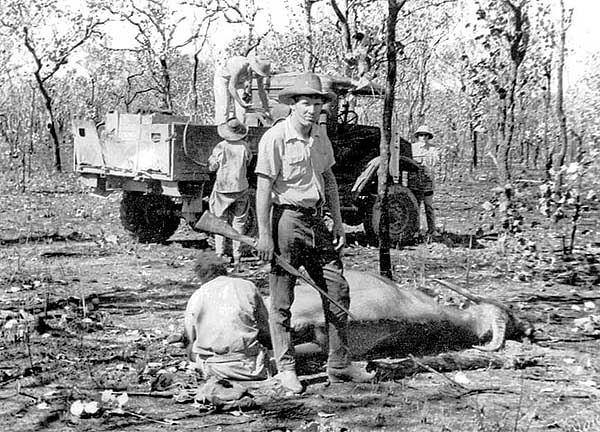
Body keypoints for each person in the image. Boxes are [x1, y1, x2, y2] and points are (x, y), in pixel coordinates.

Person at [254, 72, 374, 394]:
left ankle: (339, 366)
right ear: (293, 104)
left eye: (317, 103)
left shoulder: (320, 137)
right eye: (306, 102)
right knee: (282, 301)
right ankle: (286, 368)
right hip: (287, 222)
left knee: (338, 292)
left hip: (317, 221)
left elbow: (330, 180)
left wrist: (337, 221)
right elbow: (264, 187)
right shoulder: (275, 138)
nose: (312, 109)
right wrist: (265, 235)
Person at [184, 252, 272, 381]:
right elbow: (265, 327)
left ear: (200, 276)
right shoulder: (246, 286)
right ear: (224, 270)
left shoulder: (197, 296)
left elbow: (190, 338)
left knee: (192, 348)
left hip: (213, 369)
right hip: (250, 367)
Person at [208, 117, 252, 265]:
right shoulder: (245, 146)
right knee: (239, 222)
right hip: (241, 187)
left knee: (220, 222)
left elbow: (212, 167)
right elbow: (248, 161)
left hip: (223, 189)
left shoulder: (220, 147)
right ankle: (237, 256)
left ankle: (220, 254)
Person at [213, 54, 271, 125]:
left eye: (258, 73)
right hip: (223, 79)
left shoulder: (259, 73)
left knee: (242, 112)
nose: (256, 75)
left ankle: (239, 132)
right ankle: (220, 130)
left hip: (239, 82)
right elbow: (231, 87)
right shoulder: (239, 65)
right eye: (255, 72)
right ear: (252, 67)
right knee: (224, 108)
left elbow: (261, 91)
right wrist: (241, 103)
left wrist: (267, 109)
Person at [411, 125, 438, 235]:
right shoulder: (412, 148)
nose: (423, 137)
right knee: (415, 206)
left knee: (429, 206)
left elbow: (435, 162)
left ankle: (432, 230)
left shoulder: (433, 149)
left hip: (427, 181)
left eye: (426, 135)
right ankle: (415, 230)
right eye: (421, 135)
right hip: (415, 181)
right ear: (418, 136)